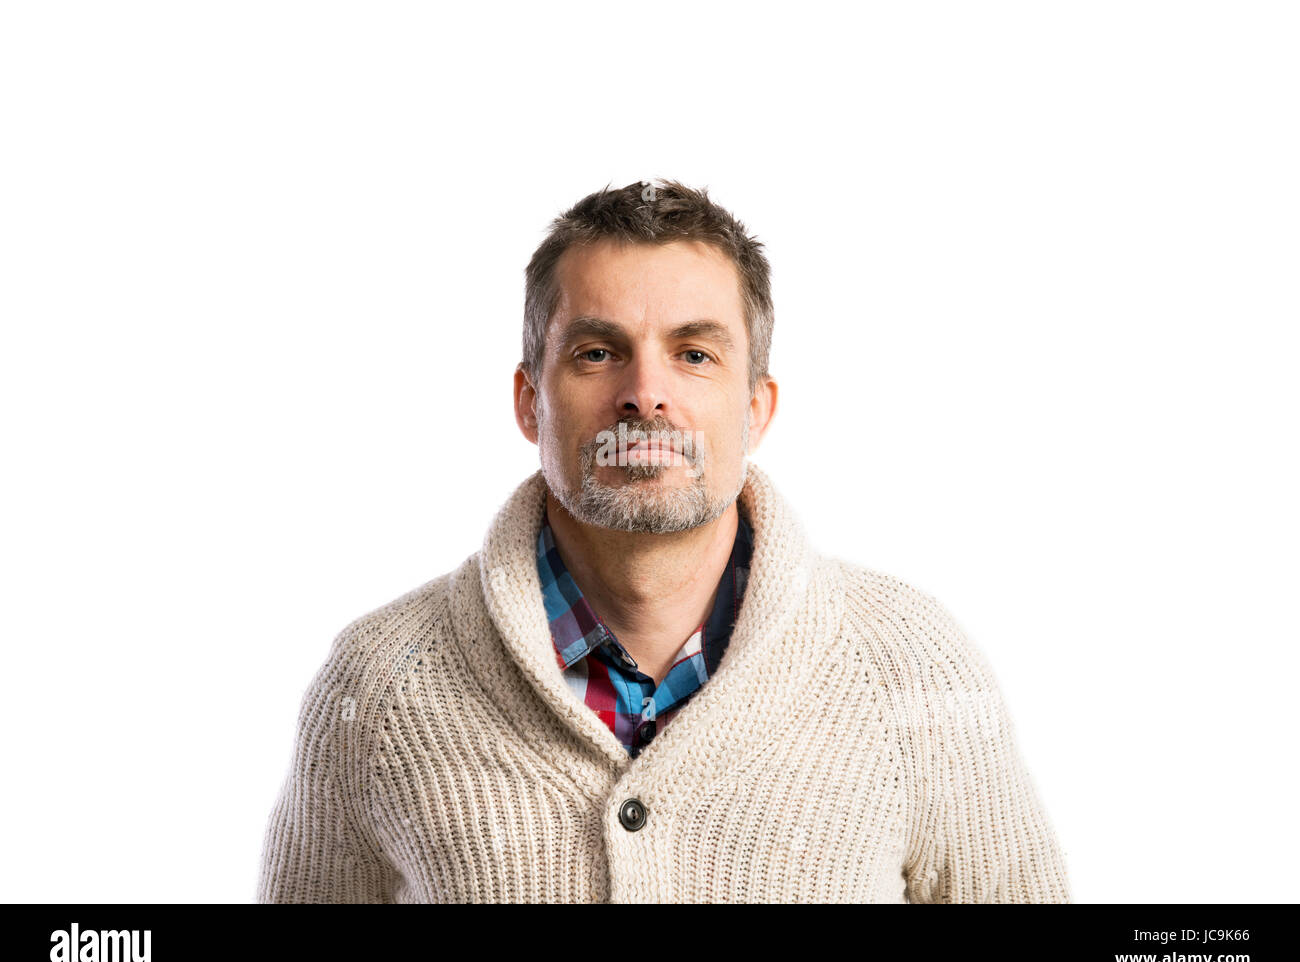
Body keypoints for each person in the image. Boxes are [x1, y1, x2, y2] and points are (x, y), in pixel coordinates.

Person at [257, 179, 1071, 903]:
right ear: (528, 400)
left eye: (694, 354)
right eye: (598, 352)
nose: (645, 395)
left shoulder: (914, 671)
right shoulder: (378, 690)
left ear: (756, 408)